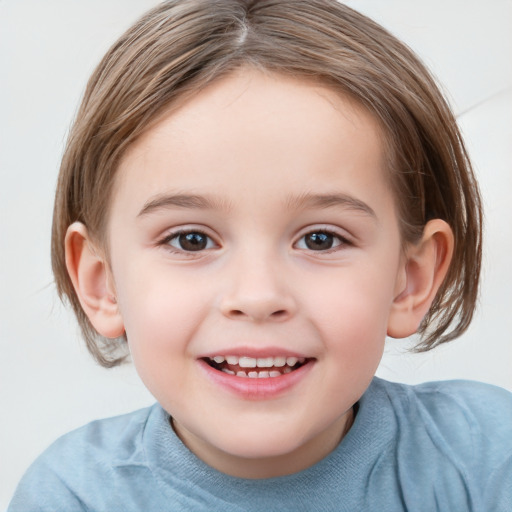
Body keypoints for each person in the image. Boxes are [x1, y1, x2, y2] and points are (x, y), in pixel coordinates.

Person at [8, 0, 512, 510]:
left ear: (411, 279)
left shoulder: (486, 457)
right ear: (102, 283)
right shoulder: (73, 496)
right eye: (191, 240)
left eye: (321, 239)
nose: (257, 296)